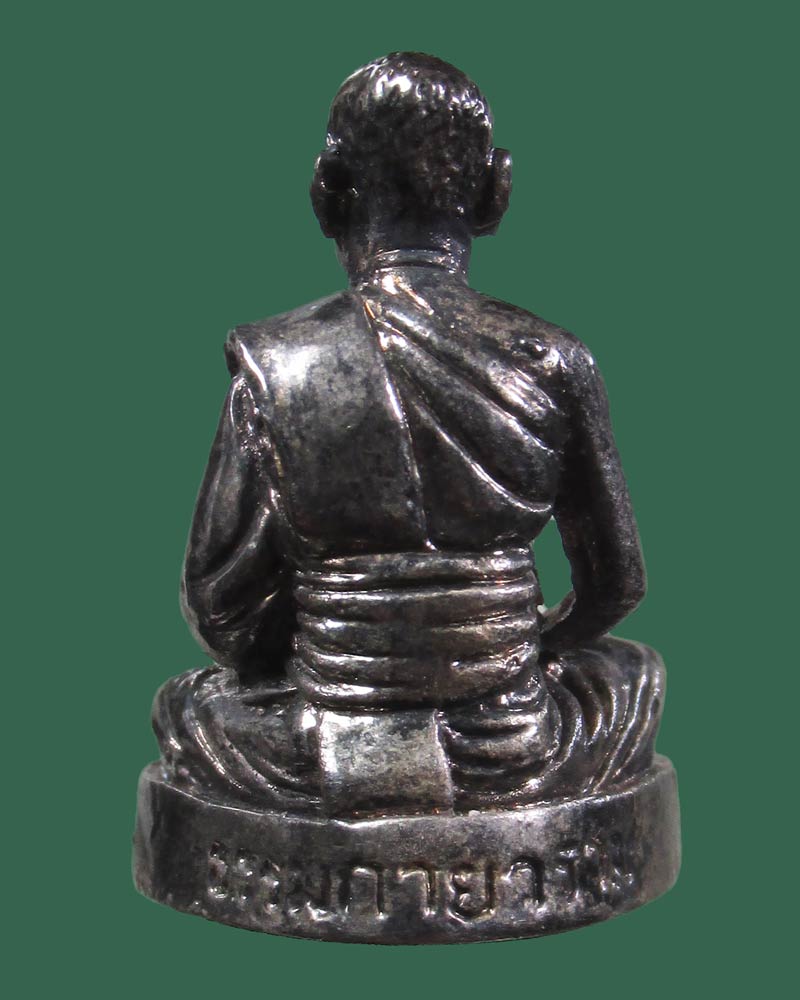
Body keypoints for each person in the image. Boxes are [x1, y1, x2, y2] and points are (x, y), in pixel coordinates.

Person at [156, 53, 664, 814]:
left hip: (322, 736)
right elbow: (616, 585)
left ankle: (358, 787)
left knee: (190, 706)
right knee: (627, 675)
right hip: (514, 737)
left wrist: (340, 659)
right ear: (495, 190)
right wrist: (520, 644)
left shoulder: (280, 361)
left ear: (326, 190)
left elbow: (219, 607)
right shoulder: (554, 358)